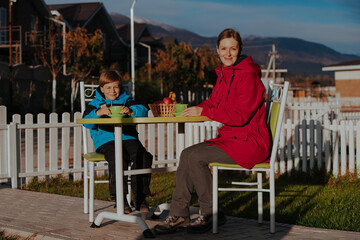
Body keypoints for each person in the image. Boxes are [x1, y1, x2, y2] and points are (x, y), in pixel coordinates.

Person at [154, 28, 271, 234]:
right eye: (224, 49)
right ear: (217, 50)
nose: (228, 53)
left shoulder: (248, 75)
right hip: (233, 138)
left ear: (239, 49)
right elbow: (212, 103)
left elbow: (240, 116)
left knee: (197, 156)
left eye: (233, 49)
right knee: (186, 153)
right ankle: (180, 213)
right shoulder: (225, 74)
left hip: (250, 142)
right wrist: (193, 109)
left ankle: (210, 214)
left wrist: (206, 110)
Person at [83, 70, 153, 214]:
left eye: (116, 87)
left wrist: (131, 111)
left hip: (128, 137)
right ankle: (119, 198)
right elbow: (86, 121)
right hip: (106, 140)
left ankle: (139, 197)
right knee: (117, 155)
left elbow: (143, 110)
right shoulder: (96, 103)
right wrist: (98, 113)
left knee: (143, 155)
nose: (112, 91)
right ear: (101, 88)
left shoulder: (126, 99)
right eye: (108, 88)